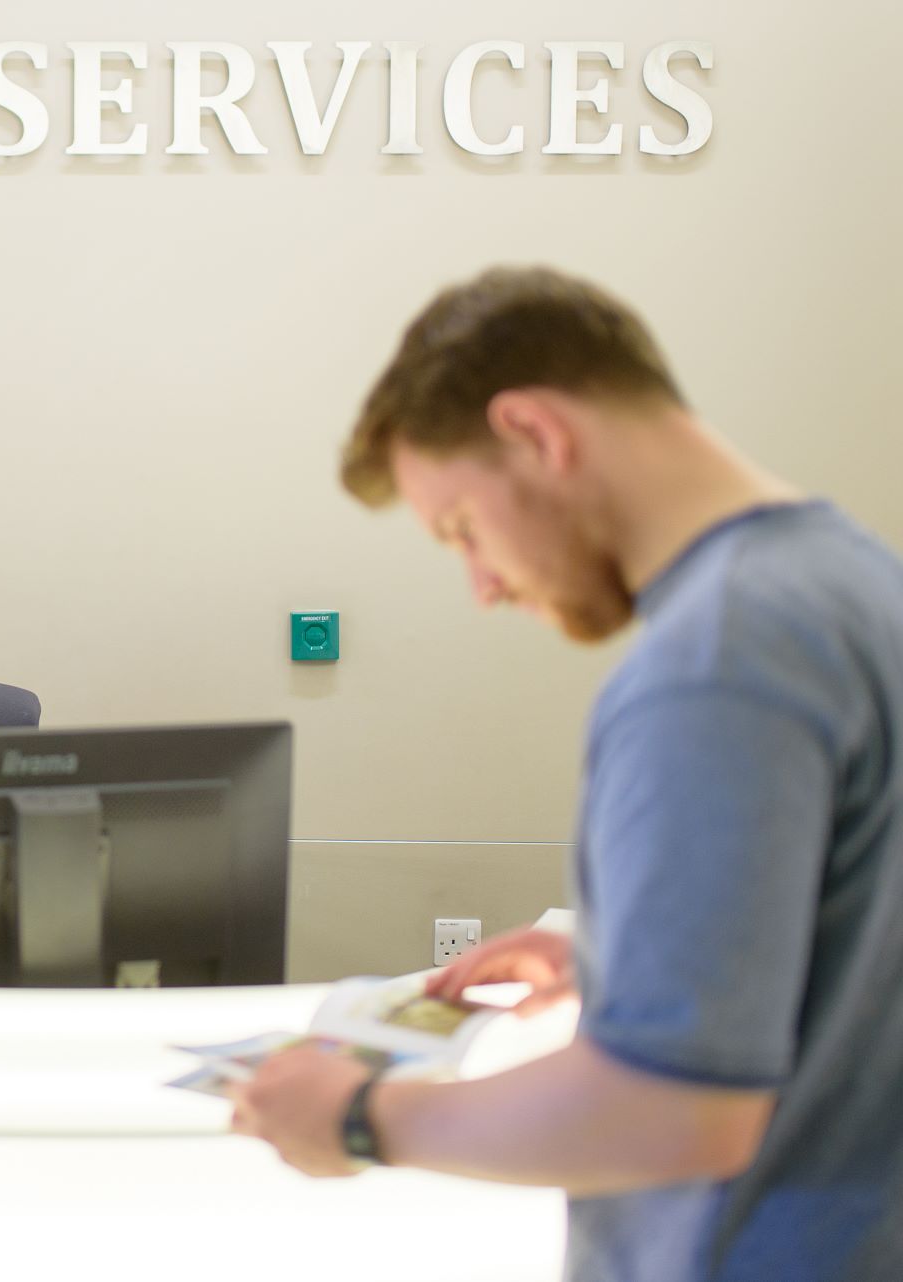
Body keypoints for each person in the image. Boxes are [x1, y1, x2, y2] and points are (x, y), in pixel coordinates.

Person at [229, 266, 903, 1281]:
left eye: (463, 530)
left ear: (537, 435)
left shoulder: (714, 663)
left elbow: (678, 1112)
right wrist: (628, 953)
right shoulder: (854, 581)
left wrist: (362, 1117)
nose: (483, 585)